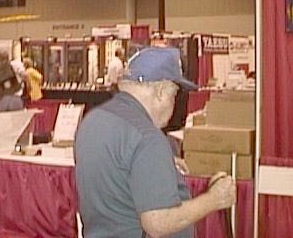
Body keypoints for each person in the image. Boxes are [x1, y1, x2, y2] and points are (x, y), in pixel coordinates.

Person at [75, 46, 236, 238]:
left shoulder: (94, 119)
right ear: (160, 91)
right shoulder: (148, 138)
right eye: (174, 95)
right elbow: (157, 223)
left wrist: (158, 164)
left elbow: (116, 167)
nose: (174, 105)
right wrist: (214, 199)